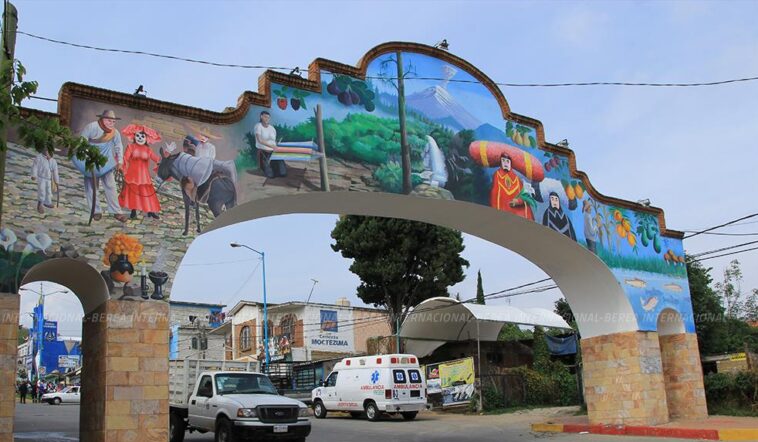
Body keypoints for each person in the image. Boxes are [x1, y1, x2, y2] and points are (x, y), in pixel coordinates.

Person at [74, 110, 127, 222]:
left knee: (111, 186)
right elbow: (82, 142)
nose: (111, 123)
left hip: (106, 162)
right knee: (91, 187)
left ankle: (116, 211)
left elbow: (118, 146)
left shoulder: (114, 133)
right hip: (91, 161)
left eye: (113, 121)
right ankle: (96, 211)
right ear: (102, 119)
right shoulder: (91, 127)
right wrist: (88, 157)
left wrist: (120, 162)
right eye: (109, 120)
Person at [119, 124, 162, 220]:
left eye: (142, 136)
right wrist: (122, 167)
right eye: (138, 136)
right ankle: (133, 211)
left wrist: (167, 153)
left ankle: (150, 211)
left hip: (144, 176)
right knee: (134, 193)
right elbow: (125, 159)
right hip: (132, 175)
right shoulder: (130, 147)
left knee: (147, 193)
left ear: (146, 138)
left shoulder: (148, 149)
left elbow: (157, 159)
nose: (140, 138)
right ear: (134, 136)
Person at [489, 153, 532, 219]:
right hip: (503, 214)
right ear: (501, 162)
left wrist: (518, 201)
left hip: (517, 215)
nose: (505, 163)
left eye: (507, 161)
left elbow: (525, 197)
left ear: (511, 163)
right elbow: (494, 195)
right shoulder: (497, 175)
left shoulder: (517, 179)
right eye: (503, 160)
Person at [254, 111, 287, 178]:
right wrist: (271, 146)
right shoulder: (258, 126)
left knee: (283, 173)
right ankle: (269, 169)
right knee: (270, 175)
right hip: (264, 151)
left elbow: (273, 141)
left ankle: (277, 168)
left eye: (268, 118)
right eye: (265, 117)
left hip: (274, 151)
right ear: (261, 117)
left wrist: (276, 145)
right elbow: (260, 140)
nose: (267, 119)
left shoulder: (272, 128)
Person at [30, 150, 60, 214]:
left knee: (48, 191)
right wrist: (34, 175)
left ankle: (47, 202)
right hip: (41, 178)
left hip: (49, 179)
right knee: (42, 191)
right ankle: (40, 204)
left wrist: (56, 181)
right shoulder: (39, 157)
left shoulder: (53, 161)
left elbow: (55, 171)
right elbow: (35, 166)